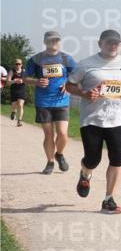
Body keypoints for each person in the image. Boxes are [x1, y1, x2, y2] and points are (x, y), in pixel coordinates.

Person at [65, 30, 121, 213]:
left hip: (118, 120)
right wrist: (84, 93)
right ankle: (85, 173)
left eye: (117, 43)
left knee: (117, 160)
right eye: (109, 42)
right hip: (92, 120)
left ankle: (108, 199)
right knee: (92, 159)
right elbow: (69, 85)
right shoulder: (86, 64)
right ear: (100, 44)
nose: (113, 46)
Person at [23, 31, 76, 174]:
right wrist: (36, 81)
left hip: (62, 101)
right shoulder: (36, 59)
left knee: (63, 134)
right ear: (45, 42)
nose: (54, 42)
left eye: (56, 40)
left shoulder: (66, 59)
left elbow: (76, 76)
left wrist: (67, 84)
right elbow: (25, 78)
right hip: (43, 102)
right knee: (48, 134)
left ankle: (59, 154)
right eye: (50, 40)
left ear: (59, 42)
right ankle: (50, 162)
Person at [8, 59, 27, 126]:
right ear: (14, 64)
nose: (17, 65)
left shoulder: (24, 71)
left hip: (22, 90)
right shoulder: (12, 71)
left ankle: (19, 121)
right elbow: (8, 82)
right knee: (14, 106)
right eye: (16, 64)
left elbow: (27, 80)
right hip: (14, 90)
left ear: (21, 65)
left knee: (20, 105)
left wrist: (22, 81)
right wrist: (14, 81)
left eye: (19, 64)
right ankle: (13, 112)